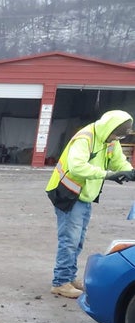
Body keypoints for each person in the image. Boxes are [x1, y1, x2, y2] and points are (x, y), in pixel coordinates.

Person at [45, 110, 135, 298]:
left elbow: (119, 163)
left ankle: (68, 277)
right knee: (69, 240)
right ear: (109, 128)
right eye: (116, 134)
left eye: (120, 135)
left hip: (84, 195)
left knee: (77, 240)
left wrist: (129, 172)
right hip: (67, 193)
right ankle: (60, 282)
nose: (116, 138)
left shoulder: (110, 141)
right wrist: (107, 174)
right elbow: (77, 167)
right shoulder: (85, 138)